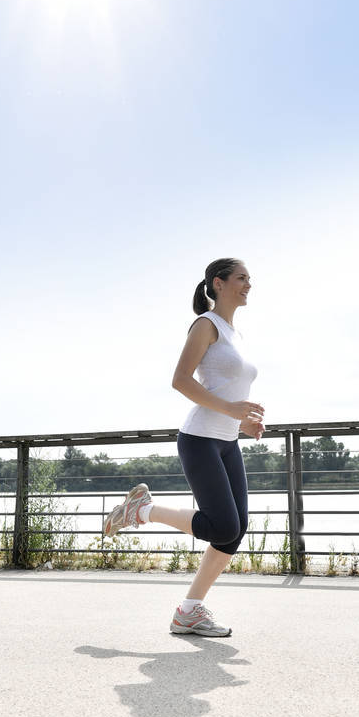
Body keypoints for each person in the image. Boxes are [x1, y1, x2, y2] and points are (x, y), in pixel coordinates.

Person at [103, 257, 265, 636]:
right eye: (241, 278)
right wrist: (229, 409)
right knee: (222, 524)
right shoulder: (206, 325)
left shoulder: (233, 332)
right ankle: (143, 509)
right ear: (219, 283)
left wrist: (240, 421)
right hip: (199, 440)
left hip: (226, 441)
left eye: (249, 279)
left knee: (234, 530)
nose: (248, 285)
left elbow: (222, 390)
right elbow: (180, 380)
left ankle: (189, 611)